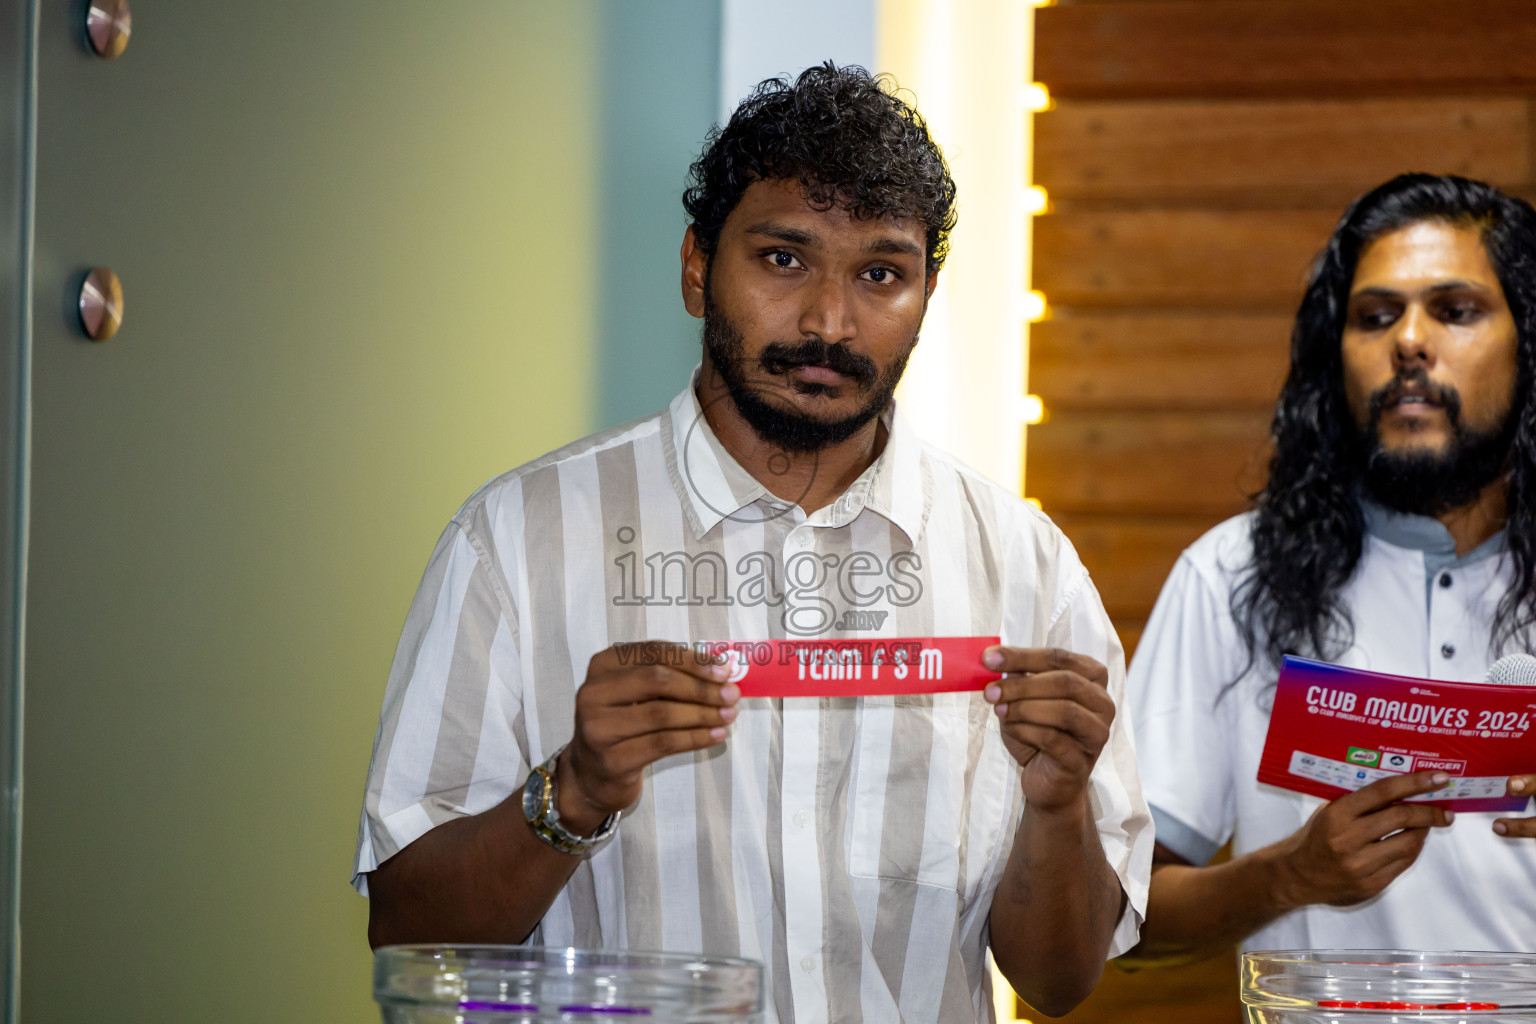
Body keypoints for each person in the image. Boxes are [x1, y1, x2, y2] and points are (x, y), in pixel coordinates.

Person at [351, 64, 1151, 1023]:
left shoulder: (1024, 566)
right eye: (783, 259)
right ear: (697, 268)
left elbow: (1060, 983)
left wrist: (1058, 808)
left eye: (881, 274)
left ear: (926, 300)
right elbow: (408, 935)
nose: (828, 320)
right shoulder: (518, 539)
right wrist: (571, 793)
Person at [1126, 173, 1536, 964]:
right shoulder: (1233, 577)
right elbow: (1118, 915)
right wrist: (1288, 877)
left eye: (1454, 311)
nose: (1408, 342)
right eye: (1375, 317)